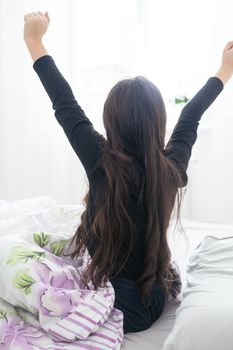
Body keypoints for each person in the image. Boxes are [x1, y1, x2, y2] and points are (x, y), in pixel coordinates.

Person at [24, 11, 233, 334]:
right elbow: (190, 117)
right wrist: (224, 69)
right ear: (157, 123)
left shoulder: (100, 159)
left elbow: (63, 103)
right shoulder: (170, 168)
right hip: (155, 296)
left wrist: (33, 39)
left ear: (111, 121)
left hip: (121, 305)